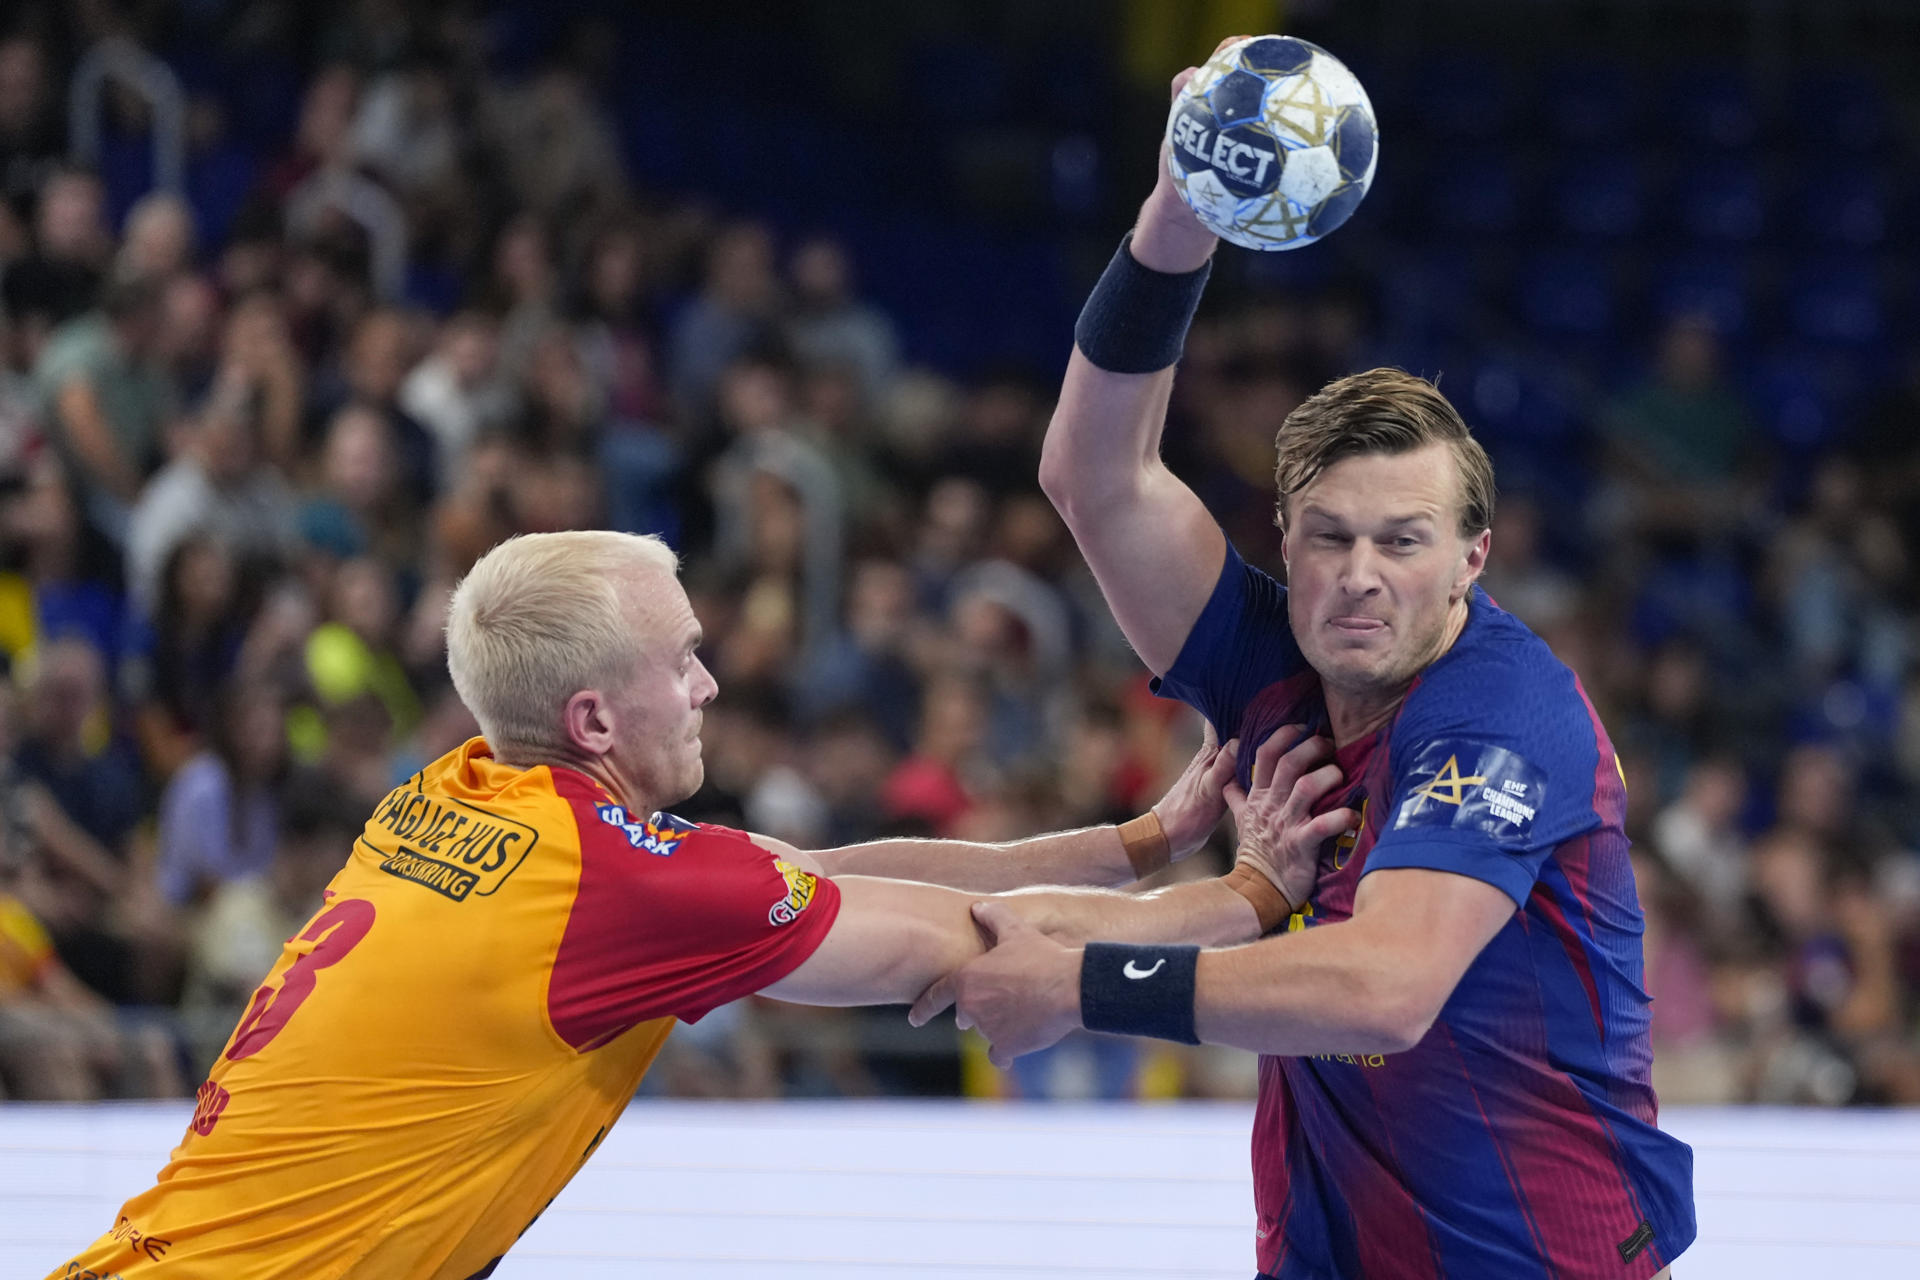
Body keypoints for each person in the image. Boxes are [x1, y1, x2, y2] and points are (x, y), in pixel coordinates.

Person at [914, 49, 1697, 1280]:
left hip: (1540, 1257)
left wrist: (1086, 984)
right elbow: (1094, 477)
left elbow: (1384, 987)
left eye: (1403, 540)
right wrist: (1179, 210)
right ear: (1283, 536)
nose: (1360, 573)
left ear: (1472, 559)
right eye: (1328, 535)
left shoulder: (1501, 709)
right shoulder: (1272, 653)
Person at [47, 529, 1308, 1279]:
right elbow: (986, 959)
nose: (710, 682)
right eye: (683, 660)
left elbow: (814, 872)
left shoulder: (451, 792)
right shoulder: (619, 883)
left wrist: (1141, 840)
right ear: (593, 718)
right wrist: (1253, 893)